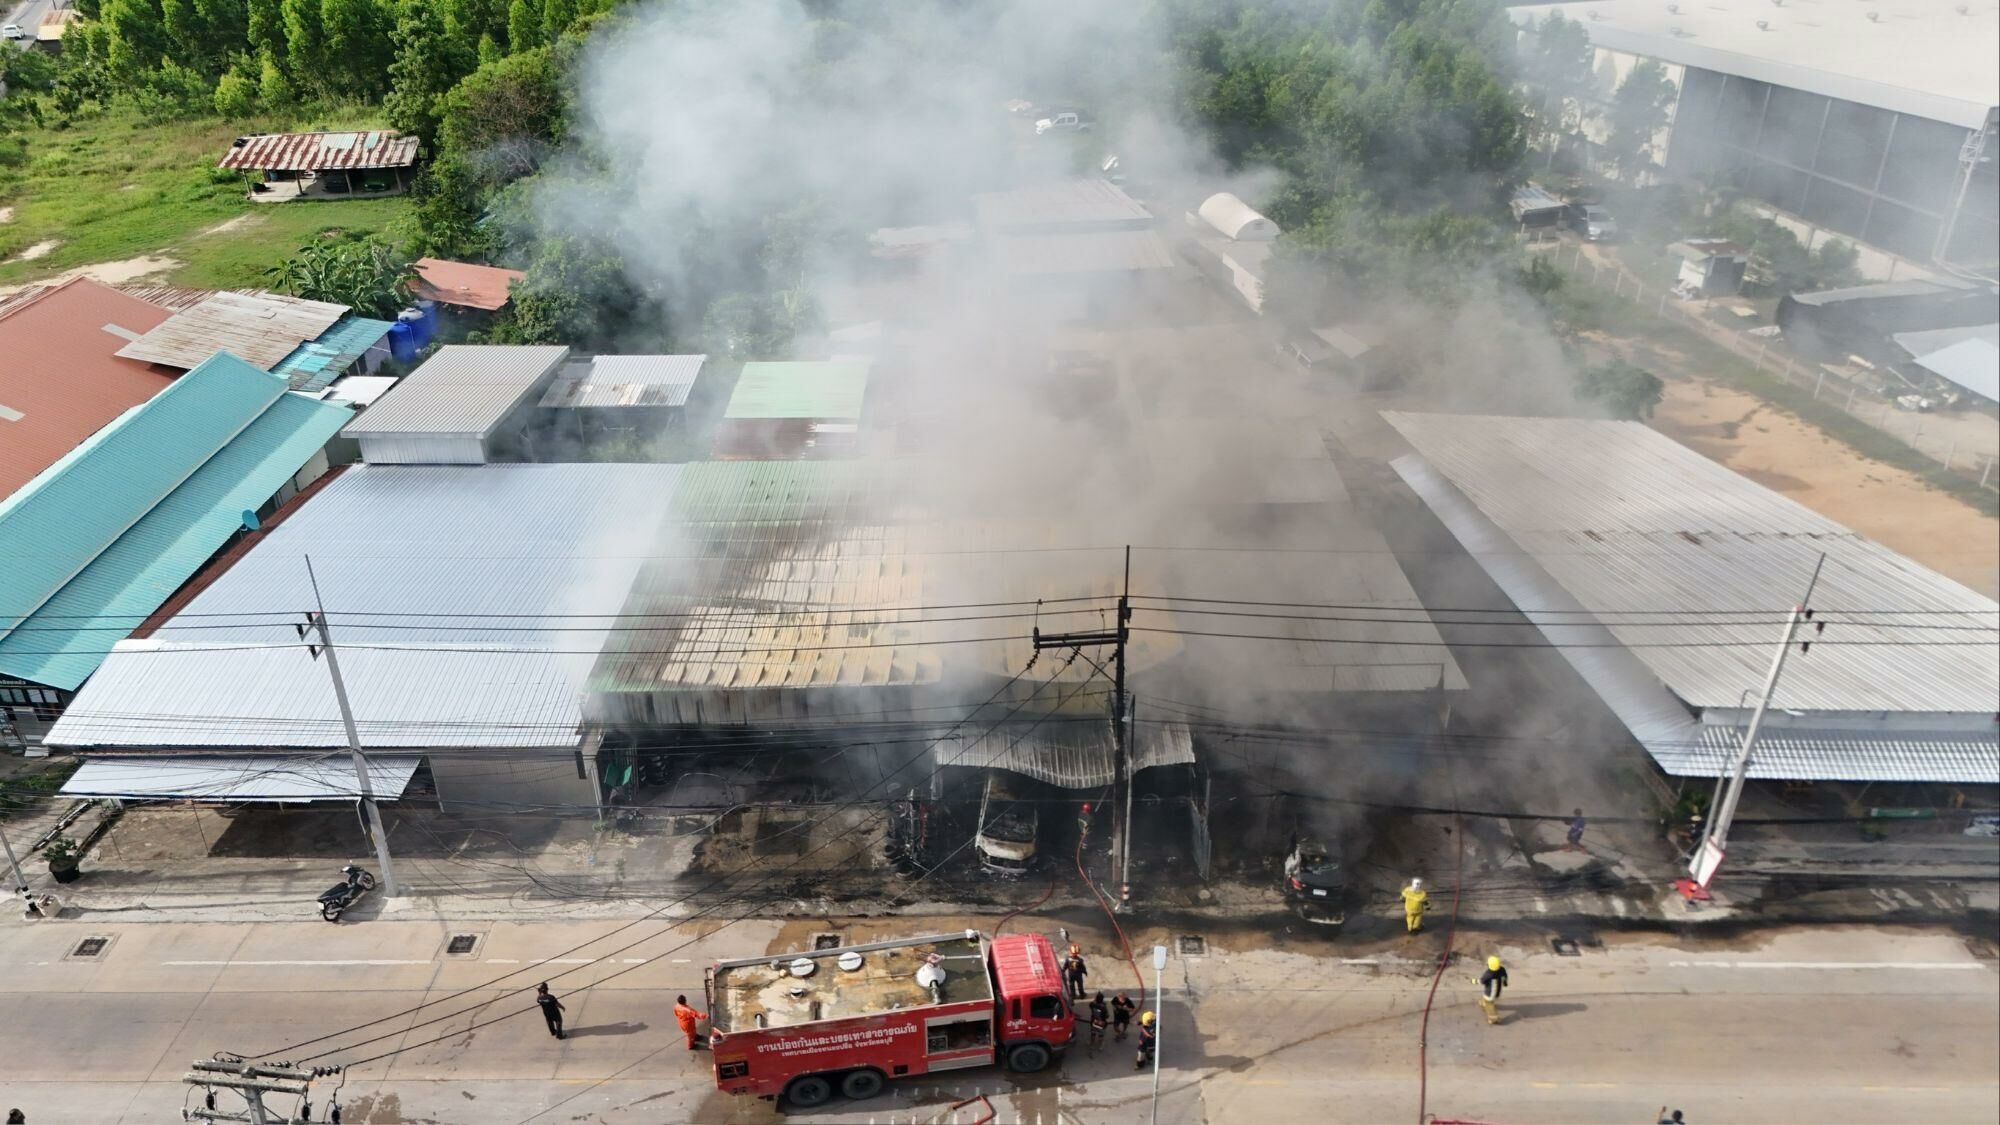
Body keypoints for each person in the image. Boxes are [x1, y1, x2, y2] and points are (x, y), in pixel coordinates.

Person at [1478, 955, 1509, 1026]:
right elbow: (1505, 977)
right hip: (1497, 991)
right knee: (1488, 999)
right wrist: (1505, 983)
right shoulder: (1501, 969)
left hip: (1490, 993)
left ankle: (1493, 1019)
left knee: (1490, 1005)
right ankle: (1483, 1003)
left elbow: (1482, 981)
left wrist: (1473, 981)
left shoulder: (1489, 974)